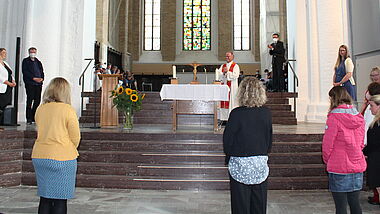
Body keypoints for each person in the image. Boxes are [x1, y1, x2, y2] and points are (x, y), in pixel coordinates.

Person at [223, 77, 272, 214]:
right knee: (259, 203)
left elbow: (228, 141)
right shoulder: (266, 113)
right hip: (259, 163)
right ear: (260, 92)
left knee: (240, 204)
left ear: (241, 92)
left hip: (240, 163)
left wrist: (229, 157)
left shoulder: (236, 114)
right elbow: (269, 138)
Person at [31, 77, 80, 214]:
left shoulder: (41, 109)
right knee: (60, 199)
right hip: (62, 159)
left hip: (40, 157)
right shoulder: (68, 110)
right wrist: (68, 149)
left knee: (45, 198)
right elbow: (75, 137)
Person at [322, 86, 366, 214]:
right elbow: (362, 142)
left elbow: (327, 145)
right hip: (357, 164)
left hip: (339, 166)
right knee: (355, 203)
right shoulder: (359, 117)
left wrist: (327, 160)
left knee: (340, 207)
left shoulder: (333, 118)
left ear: (334, 99)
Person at [363, 94, 380, 207]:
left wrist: (363, 152)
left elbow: (373, 144)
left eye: (372, 106)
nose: (370, 108)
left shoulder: (376, 125)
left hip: (376, 160)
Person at [22, 47, 44, 124]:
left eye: (34, 52)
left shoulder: (38, 62)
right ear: (29, 52)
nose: (33, 53)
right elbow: (25, 72)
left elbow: (41, 71)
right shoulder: (25, 61)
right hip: (30, 83)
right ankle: (28, 118)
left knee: (37, 101)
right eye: (31, 52)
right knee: (30, 100)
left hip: (38, 84)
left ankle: (33, 116)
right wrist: (33, 78)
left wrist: (41, 79)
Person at [217, 51, 240, 121]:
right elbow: (219, 76)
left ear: (232, 57)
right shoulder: (223, 66)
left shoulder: (235, 66)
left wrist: (227, 72)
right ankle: (223, 119)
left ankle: (232, 118)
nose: (227, 57)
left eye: (228, 56)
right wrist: (223, 73)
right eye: (226, 56)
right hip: (224, 86)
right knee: (223, 102)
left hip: (232, 87)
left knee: (232, 103)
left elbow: (236, 75)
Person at [0, 48, 16, 128]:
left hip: (8, 88)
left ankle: (4, 121)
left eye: (5, 53)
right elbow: (1, 77)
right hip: (2, 87)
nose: (5, 54)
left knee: (7, 103)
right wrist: (8, 83)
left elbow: (10, 73)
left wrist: (13, 81)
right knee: (1, 103)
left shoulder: (5, 63)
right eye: (3, 53)